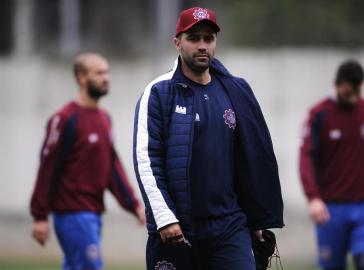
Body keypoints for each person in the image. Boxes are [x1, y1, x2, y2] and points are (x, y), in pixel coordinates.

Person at [133, 7, 284, 270]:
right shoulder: (159, 93)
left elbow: (252, 157)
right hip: (179, 227)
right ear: (177, 42)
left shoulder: (236, 90)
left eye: (209, 38)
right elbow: (147, 160)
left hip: (229, 225)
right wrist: (165, 217)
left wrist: (257, 217)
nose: (202, 45)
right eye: (194, 38)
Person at [30, 53, 146, 270]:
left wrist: (133, 205)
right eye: (99, 72)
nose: (106, 78)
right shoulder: (65, 118)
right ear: (81, 77)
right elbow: (48, 167)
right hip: (72, 213)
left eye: (107, 72)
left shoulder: (104, 118)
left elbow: (112, 167)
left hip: (92, 213)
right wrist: (39, 215)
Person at [299, 59, 364, 270]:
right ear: (337, 84)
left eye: (357, 92)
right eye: (348, 92)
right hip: (331, 210)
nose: (353, 98)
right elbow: (305, 158)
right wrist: (313, 197)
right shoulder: (319, 115)